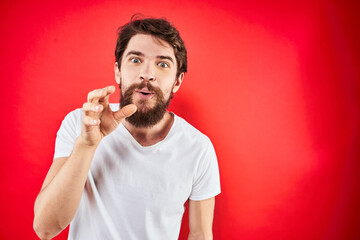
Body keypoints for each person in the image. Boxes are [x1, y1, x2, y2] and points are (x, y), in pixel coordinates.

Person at [33, 15, 221, 240]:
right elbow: (45, 228)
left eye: (162, 64)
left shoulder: (198, 148)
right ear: (118, 72)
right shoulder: (80, 124)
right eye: (135, 60)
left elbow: (200, 234)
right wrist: (87, 144)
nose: (147, 74)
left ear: (177, 81)